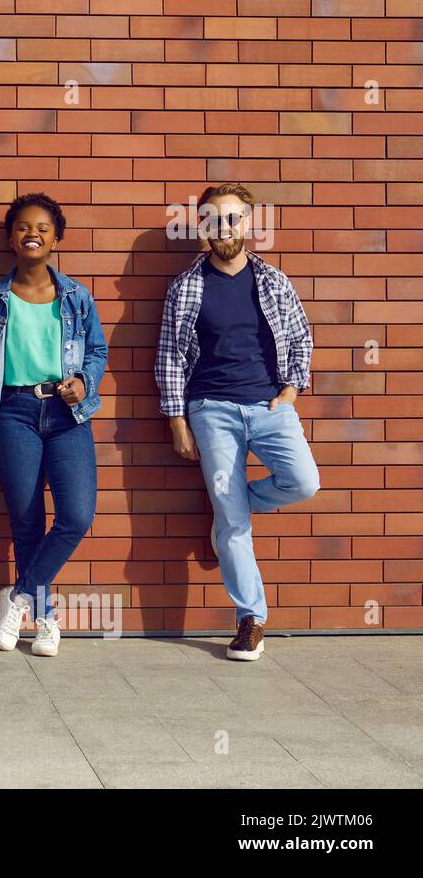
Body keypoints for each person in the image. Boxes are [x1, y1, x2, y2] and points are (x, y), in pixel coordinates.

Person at [156, 183, 319, 661]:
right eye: (212, 219)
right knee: (231, 522)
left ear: (248, 223)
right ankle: (251, 620)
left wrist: (291, 389)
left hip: (270, 407)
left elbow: (301, 335)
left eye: (232, 218)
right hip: (212, 410)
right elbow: (168, 355)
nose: (223, 228)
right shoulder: (187, 286)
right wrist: (177, 421)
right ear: (201, 226)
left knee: (304, 482)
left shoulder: (272, 281)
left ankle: (230, 511)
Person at [0, 193, 107, 657]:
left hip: (67, 415)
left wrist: (84, 382)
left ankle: (20, 596)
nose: (33, 234)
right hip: (13, 414)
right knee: (26, 521)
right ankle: (46, 618)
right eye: (24, 227)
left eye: (44, 228)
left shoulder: (76, 296)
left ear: (56, 238)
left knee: (77, 515)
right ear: (11, 237)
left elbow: (98, 353)